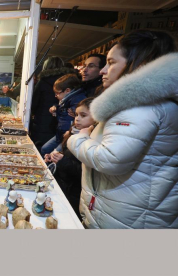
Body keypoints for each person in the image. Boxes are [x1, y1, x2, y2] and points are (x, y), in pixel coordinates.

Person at [67, 29, 178, 229]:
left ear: (139, 64)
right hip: (127, 213)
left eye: (110, 63)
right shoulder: (146, 102)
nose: (102, 71)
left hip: (127, 220)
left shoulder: (140, 106)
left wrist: (78, 138)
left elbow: (109, 159)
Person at [44, 98, 95, 219]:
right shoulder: (73, 132)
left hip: (74, 194)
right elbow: (66, 154)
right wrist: (53, 158)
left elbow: (85, 172)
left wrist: (62, 161)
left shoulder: (93, 139)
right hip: (63, 186)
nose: (77, 118)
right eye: (76, 114)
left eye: (83, 115)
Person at [30, 56, 78, 150]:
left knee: (41, 149)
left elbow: (34, 103)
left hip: (43, 123)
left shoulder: (43, 82)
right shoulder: (70, 81)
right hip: (65, 124)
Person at [40, 74, 85, 156]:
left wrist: (75, 113)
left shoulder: (76, 99)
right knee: (45, 149)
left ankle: (52, 167)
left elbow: (80, 112)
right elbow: (62, 108)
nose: (55, 96)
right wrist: (55, 108)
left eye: (57, 93)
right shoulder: (66, 99)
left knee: (54, 154)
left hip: (69, 134)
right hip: (60, 133)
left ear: (67, 90)